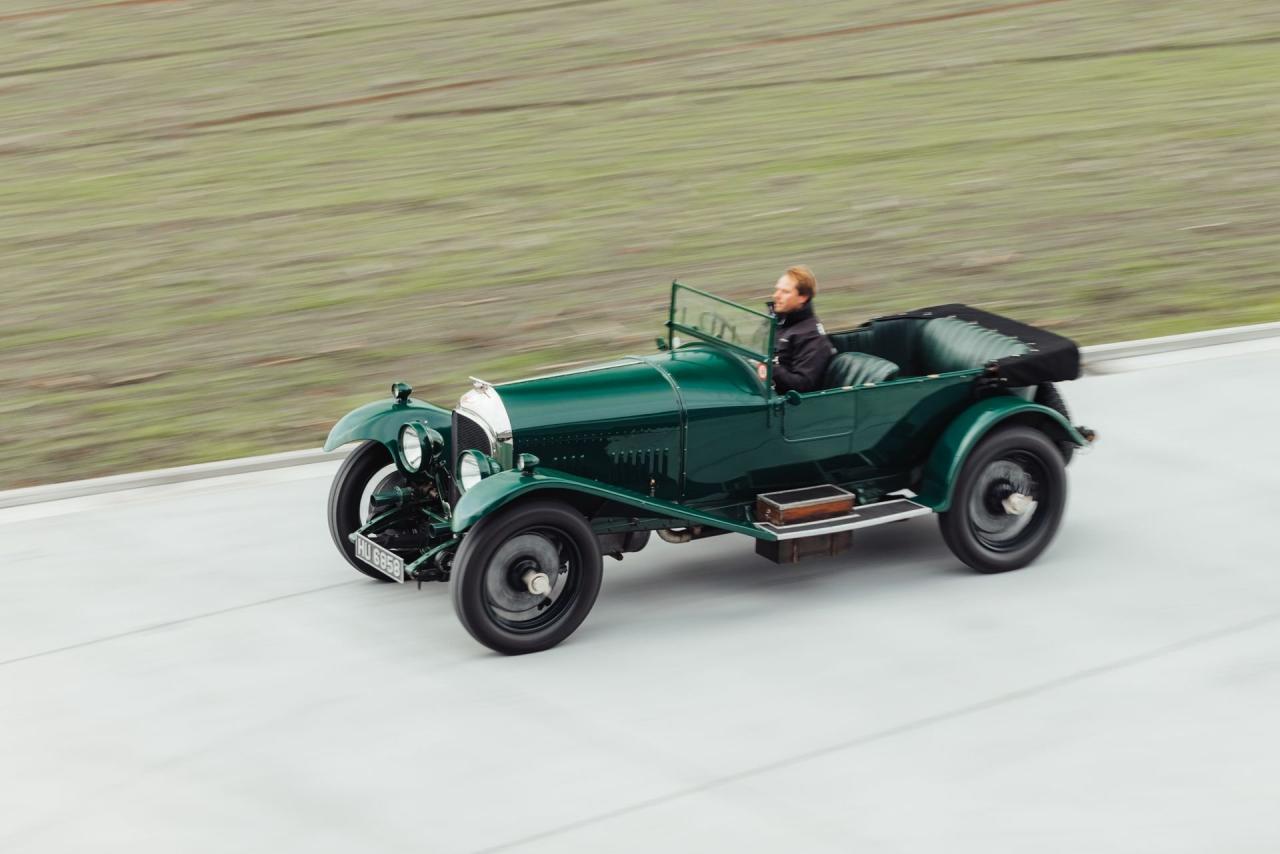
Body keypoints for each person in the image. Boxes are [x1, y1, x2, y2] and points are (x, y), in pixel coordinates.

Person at [756, 265, 834, 393]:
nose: (776, 296)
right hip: (758, 385)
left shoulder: (811, 336)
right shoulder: (775, 321)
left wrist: (769, 367)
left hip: (779, 398)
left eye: (785, 292)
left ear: (803, 297)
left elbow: (802, 385)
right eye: (777, 290)